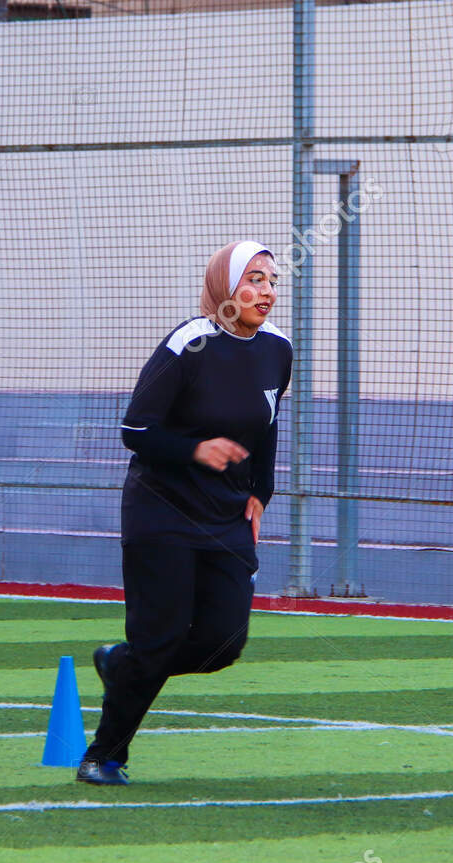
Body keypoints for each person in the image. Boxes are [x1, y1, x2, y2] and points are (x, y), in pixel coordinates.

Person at [77, 240, 292, 786]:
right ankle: (103, 757)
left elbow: (265, 428)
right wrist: (197, 449)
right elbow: (136, 431)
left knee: (223, 643)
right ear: (224, 286)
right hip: (162, 513)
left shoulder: (278, 350)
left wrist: (260, 495)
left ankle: (123, 665)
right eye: (254, 280)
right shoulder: (189, 342)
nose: (266, 292)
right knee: (162, 636)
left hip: (226, 518)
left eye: (271, 281)